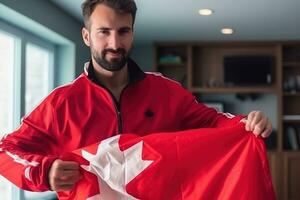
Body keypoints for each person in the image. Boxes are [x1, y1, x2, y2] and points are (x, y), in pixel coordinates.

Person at [0, 0, 272, 195]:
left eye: (123, 32)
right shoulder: (62, 103)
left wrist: (247, 123)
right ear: (86, 36)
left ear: (132, 34)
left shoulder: (165, 90)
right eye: (104, 32)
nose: (115, 44)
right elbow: (6, 150)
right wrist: (45, 172)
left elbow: (213, 122)